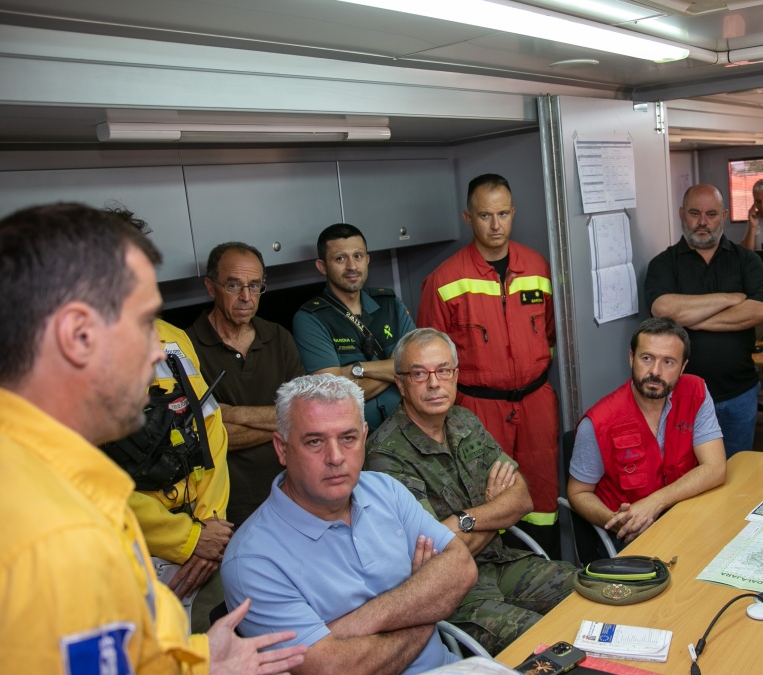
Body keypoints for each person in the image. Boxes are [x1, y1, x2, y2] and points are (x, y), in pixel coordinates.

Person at [0, 203, 305, 673]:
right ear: (77, 336)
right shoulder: (48, 540)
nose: (159, 349)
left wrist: (200, 664)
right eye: (142, 322)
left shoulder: (13, 466)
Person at [222, 374, 478, 675]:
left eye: (348, 438)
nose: (335, 457)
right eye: (315, 441)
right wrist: (425, 606)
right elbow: (337, 669)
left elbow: (462, 567)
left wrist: (358, 624)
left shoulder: (385, 490)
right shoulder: (252, 561)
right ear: (282, 448)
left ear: (365, 437)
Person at [365, 328, 576, 654]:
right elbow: (438, 554)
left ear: (456, 375)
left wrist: (465, 519)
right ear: (401, 384)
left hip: (501, 563)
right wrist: (495, 513)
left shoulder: (464, 421)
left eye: (443, 370)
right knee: (546, 642)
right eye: (419, 373)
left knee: (587, 588)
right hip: (455, 594)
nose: (434, 383)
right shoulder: (385, 455)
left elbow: (521, 498)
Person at [418, 173, 560, 533]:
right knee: (486, 500)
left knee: (541, 498)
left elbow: (550, 335)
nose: (496, 225)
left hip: (536, 404)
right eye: (485, 216)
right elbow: (430, 358)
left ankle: (546, 577)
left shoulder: (539, 267)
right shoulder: (445, 280)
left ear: (513, 212)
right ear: (468, 218)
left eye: (503, 214)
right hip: (477, 411)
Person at [567, 317, 728, 544]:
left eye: (668, 362)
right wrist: (619, 521)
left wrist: (656, 501)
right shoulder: (599, 422)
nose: (655, 371)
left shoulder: (696, 393)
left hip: (685, 518)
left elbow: (716, 468)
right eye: (646, 358)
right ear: (631, 358)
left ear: (683, 367)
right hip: (630, 534)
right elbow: (578, 493)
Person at [645, 184, 763, 454]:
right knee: (684, 476)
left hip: (739, 393)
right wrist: (730, 298)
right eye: (694, 213)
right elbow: (663, 308)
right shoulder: (664, 263)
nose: (703, 222)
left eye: (712, 214)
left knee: (738, 474)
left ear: (724, 215)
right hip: (680, 396)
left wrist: (689, 319)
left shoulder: (746, 260)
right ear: (682, 214)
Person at [122, 319, 232, 630]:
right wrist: (189, 538)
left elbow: (211, 426)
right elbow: (89, 476)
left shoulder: (173, 336)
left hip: (204, 527)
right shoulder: (86, 351)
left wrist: (211, 524)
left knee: (211, 640)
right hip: (139, 539)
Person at [186, 242, 305, 527]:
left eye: (255, 286)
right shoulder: (185, 346)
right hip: (227, 511)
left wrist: (231, 413)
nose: (246, 297)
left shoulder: (278, 337)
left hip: (293, 497)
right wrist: (283, 420)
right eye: (233, 286)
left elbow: (305, 415)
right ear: (211, 287)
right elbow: (203, 437)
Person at [293, 223, 416, 430]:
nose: (352, 266)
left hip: (409, 427)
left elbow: (417, 366)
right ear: (322, 266)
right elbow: (332, 394)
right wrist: (397, 369)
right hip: (354, 438)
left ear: (367, 260)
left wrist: (356, 370)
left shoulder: (390, 303)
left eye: (358, 256)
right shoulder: (310, 318)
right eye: (340, 258)